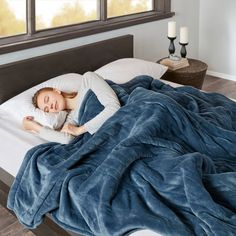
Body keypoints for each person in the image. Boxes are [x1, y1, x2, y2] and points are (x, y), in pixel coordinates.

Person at [22, 72, 121, 144]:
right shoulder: (71, 119)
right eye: (47, 109)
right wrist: (34, 127)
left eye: (47, 99)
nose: (50, 106)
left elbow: (114, 107)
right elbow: (67, 139)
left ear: (56, 91)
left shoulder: (88, 80)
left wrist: (80, 130)